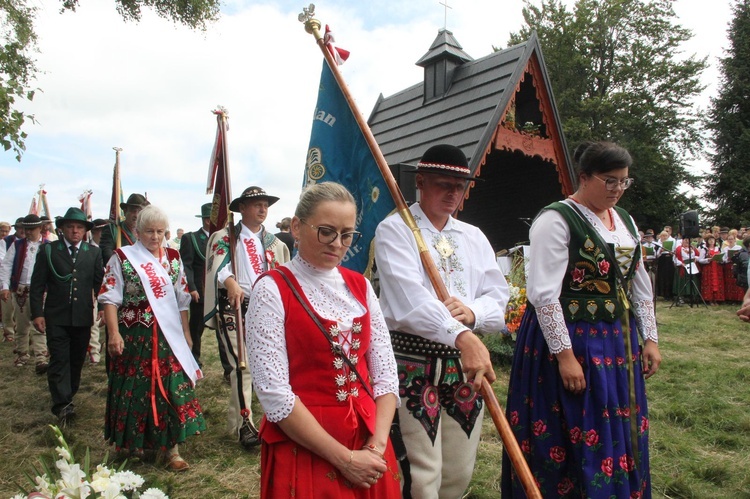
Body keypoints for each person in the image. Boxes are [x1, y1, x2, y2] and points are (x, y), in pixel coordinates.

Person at [501, 141, 661, 498]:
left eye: (623, 182)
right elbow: (543, 294)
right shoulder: (555, 219)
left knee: (618, 428)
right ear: (584, 177)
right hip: (566, 338)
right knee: (569, 428)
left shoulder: (625, 221)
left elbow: (639, 287)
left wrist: (649, 338)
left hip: (615, 343)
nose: (617, 189)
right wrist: (565, 356)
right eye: (610, 181)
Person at [246, 182, 401, 496]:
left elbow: (385, 375)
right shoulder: (271, 289)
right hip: (306, 443)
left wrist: (377, 447)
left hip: (369, 442)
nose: (337, 244)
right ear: (297, 227)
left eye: (347, 235)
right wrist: (344, 460)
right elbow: (274, 393)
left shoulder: (360, 285)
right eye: (326, 231)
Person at [374, 144, 509, 498]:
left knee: (458, 470)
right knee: (422, 472)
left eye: (459, 186)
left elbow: (498, 296)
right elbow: (410, 301)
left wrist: (474, 312)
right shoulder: (395, 229)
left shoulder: (473, 236)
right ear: (420, 181)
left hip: (465, 365)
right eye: (442, 183)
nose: (452, 193)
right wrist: (462, 335)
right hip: (412, 360)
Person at [98, 205, 205, 471]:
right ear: (137, 231)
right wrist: (113, 333)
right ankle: (131, 444)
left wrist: (186, 334)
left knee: (168, 387)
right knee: (135, 390)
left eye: (160, 231)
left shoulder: (173, 257)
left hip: (167, 336)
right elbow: (109, 298)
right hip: (134, 337)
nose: (155, 237)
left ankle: (172, 450)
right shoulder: (122, 258)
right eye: (149, 231)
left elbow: (181, 301)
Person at [204, 186, 291, 450]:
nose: (263, 209)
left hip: (265, 309)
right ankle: (245, 423)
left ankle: (274, 420)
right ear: (242, 208)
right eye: (256, 205)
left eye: (265, 205)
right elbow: (217, 266)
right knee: (242, 365)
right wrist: (230, 281)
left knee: (270, 364)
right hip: (234, 306)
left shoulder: (276, 244)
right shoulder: (225, 236)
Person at [29, 208, 104, 424]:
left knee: (76, 360)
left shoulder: (93, 252)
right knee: (59, 359)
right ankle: (62, 404)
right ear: (61, 229)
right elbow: (37, 284)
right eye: (70, 226)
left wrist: (103, 307)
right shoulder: (49, 251)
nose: (75, 231)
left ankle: (68, 396)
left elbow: (100, 282)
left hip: (82, 317)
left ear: (84, 230)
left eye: (79, 227)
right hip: (56, 316)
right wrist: (37, 313)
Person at [180, 203, 231, 379]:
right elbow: (187, 266)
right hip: (200, 294)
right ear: (209, 220)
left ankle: (229, 370)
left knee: (224, 333)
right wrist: (192, 288)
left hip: (221, 294)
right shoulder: (191, 238)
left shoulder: (225, 239)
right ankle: (194, 364)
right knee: (195, 330)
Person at [0, 214, 50, 372]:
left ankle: (41, 357)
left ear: (40, 228)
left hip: (42, 291)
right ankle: (22, 354)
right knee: (21, 325)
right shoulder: (17, 245)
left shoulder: (49, 245)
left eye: (31, 229)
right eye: (25, 229)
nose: (28, 232)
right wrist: (5, 286)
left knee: (40, 325)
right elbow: (6, 266)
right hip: (21, 290)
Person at [99, 193, 150, 263]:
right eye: (133, 211)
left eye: (140, 211)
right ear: (125, 211)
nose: (136, 215)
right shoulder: (112, 230)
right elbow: (106, 255)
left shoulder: (147, 233)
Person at [86, 218, 110, 364]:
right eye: (102, 231)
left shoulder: (109, 247)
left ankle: (97, 351)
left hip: (108, 289)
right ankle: (93, 351)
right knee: (92, 322)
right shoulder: (87, 249)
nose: (105, 233)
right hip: (92, 289)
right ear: (94, 232)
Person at [1, 217, 24, 343]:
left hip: (23, 280)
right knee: (8, 308)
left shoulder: (30, 242)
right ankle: (9, 332)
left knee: (21, 309)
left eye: (24, 227)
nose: (22, 230)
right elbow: (4, 260)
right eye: (20, 227)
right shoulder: (7, 241)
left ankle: (21, 333)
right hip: (9, 279)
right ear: (16, 228)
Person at [672, 237, 702, 305]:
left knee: (692, 281)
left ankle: (692, 296)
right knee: (682, 282)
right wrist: (681, 263)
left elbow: (697, 255)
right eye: (685, 240)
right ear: (682, 241)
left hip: (692, 267)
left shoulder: (693, 248)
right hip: (682, 267)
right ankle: (680, 297)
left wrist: (695, 259)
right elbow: (675, 258)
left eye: (688, 240)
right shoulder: (679, 249)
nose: (687, 241)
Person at [697, 235, 725, 305]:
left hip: (717, 268)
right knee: (709, 283)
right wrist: (708, 259)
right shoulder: (704, 249)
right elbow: (700, 260)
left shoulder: (718, 248)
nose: (711, 241)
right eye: (710, 240)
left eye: (713, 239)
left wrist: (720, 260)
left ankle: (716, 299)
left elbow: (723, 258)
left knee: (717, 283)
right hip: (708, 269)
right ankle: (709, 299)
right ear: (707, 241)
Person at [722, 234, 745, 302]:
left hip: (736, 265)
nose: (730, 240)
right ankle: (730, 298)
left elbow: (741, 257)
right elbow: (723, 258)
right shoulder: (725, 249)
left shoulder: (739, 247)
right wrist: (727, 259)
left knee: (736, 281)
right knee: (729, 282)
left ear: (735, 240)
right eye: (729, 239)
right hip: (728, 266)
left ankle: (738, 298)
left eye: (732, 239)